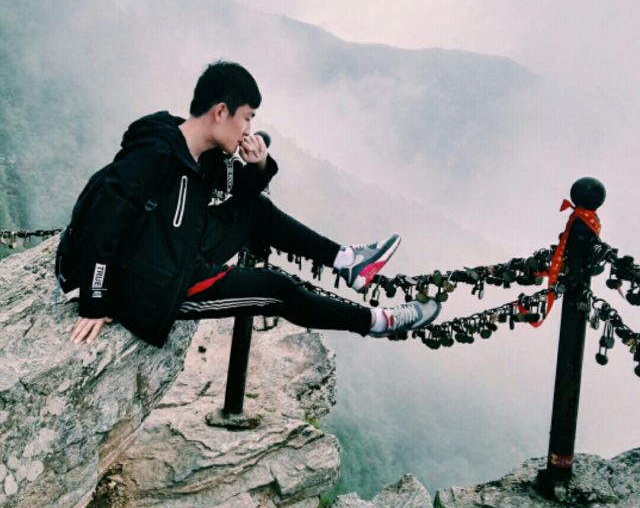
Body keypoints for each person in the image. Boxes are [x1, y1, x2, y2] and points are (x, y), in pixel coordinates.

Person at [56, 61, 440, 347]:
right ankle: (378, 321)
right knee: (277, 289)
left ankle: (348, 262)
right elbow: (104, 220)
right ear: (221, 112)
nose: (248, 130)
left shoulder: (202, 152)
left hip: (174, 244)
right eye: (246, 118)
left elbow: (242, 197)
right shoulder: (154, 153)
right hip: (155, 281)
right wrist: (95, 300)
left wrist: (256, 165)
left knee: (256, 211)